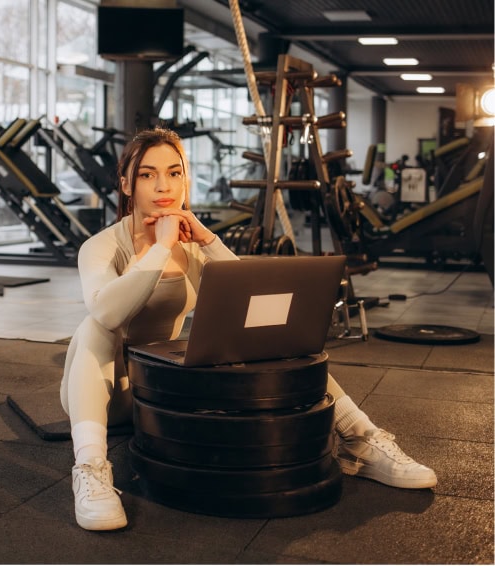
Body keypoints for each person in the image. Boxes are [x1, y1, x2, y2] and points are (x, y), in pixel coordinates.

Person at [60, 127, 437, 532]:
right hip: (109, 393)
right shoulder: (101, 246)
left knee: (263, 338)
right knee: (93, 328)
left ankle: (361, 438)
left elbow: (254, 305)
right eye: (147, 174)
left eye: (174, 172)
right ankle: (91, 469)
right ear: (126, 184)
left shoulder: (191, 244)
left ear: (186, 179)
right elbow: (108, 313)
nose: (163, 185)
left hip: (167, 393)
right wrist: (159, 249)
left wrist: (208, 241)